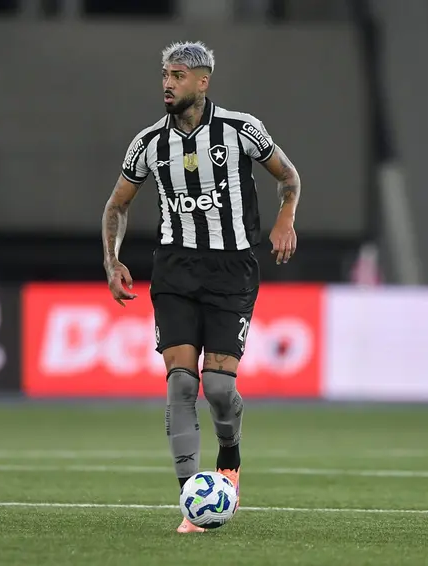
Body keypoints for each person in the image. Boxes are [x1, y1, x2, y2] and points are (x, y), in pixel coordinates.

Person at [100, 41, 301, 533]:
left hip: (232, 270)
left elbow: (289, 177)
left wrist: (285, 219)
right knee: (182, 384)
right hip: (175, 270)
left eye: (178, 75)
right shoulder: (149, 143)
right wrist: (112, 259)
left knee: (218, 389)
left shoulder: (240, 129)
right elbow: (117, 205)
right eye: (164, 75)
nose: (167, 84)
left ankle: (229, 453)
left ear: (202, 81)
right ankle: (192, 501)